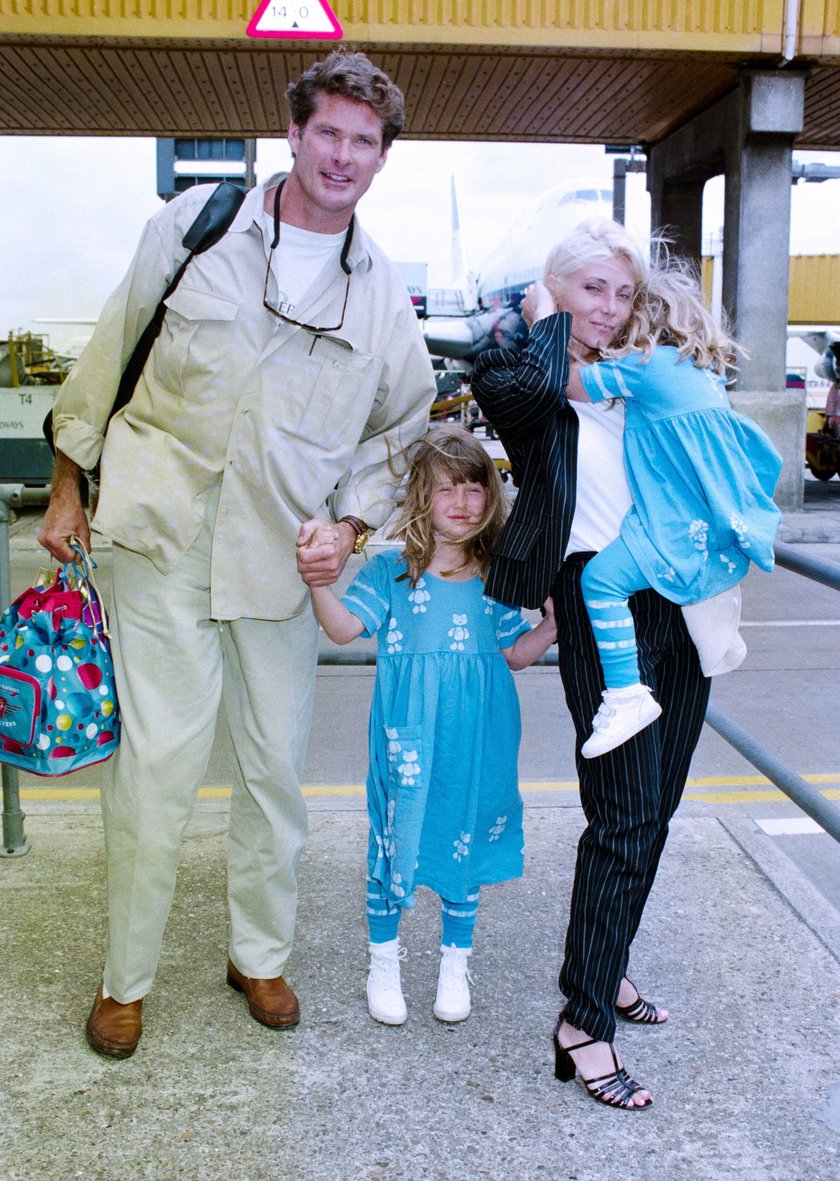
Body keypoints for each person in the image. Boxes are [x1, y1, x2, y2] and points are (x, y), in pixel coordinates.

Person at [37, 50, 436, 1059]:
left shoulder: (384, 294)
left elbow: (403, 433)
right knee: (156, 771)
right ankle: (124, 978)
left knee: (275, 774)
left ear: (383, 158)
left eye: (364, 141)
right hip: (160, 533)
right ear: (295, 133)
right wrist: (69, 483)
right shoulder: (194, 226)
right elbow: (110, 347)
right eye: (329, 133)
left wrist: (347, 527)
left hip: (280, 561)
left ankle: (258, 954)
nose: (343, 155)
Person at [471, 219, 726, 1110]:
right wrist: (544, 311)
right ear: (554, 289)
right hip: (592, 599)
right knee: (619, 814)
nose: (609, 310)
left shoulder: (639, 370)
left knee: (654, 811)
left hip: (678, 597)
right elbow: (525, 391)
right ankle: (582, 1023)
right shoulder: (518, 366)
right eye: (591, 290)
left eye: (622, 293)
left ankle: (603, 964)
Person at [307, 425, 557, 1026]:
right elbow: (343, 630)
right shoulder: (392, 576)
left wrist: (554, 622)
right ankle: (384, 961)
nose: (463, 502)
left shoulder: (500, 577)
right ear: (421, 498)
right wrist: (319, 585)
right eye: (447, 489)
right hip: (408, 735)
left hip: (479, 734)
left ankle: (454, 961)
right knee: (393, 833)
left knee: (464, 832)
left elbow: (515, 654)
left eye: (475, 487)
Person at [555, 262, 783, 758]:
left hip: (674, 521)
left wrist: (543, 318)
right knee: (691, 577)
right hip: (710, 516)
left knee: (600, 581)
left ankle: (626, 695)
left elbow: (569, 382)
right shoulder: (701, 372)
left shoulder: (645, 366)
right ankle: (719, 637)